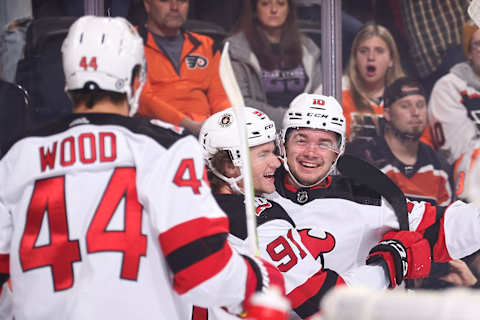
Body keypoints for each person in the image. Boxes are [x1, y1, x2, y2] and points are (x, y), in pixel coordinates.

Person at [0, 16, 285, 319]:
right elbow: (200, 267)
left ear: (68, 81)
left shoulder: (19, 155)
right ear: (137, 79)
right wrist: (260, 282)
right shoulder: (165, 148)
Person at [264, 92, 480, 291]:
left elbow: (444, 227)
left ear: (338, 151)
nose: (311, 152)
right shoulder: (254, 199)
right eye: (301, 140)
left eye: (324, 143)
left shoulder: (369, 198)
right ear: (283, 144)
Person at [198, 107, 390, 319]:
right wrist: (387, 263)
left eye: (273, 151)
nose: (276, 161)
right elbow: (327, 304)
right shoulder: (257, 220)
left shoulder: (187, 205)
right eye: (263, 154)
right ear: (230, 165)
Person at [346, 76, 454, 206]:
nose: (415, 112)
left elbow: (446, 221)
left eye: (420, 105)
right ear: (387, 113)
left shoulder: (440, 167)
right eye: (405, 106)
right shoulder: (363, 158)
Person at [137, 0, 230, 136]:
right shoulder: (130, 41)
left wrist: (225, 125)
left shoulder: (207, 46)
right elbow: (142, 98)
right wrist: (189, 125)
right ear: (147, 5)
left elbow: (221, 98)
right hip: (155, 132)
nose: (175, 7)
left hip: (208, 132)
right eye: (165, 1)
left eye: (182, 1)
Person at [224, 0, 322, 128]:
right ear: (255, 9)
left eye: (281, 4)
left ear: (289, 9)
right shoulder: (236, 49)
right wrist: (290, 118)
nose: (274, 10)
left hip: (305, 126)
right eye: (265, 4)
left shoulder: (308, 47)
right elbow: (240, 101)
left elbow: (320, 92)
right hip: (257, 128)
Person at [342, 24, 433, 147]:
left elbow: (424, 144)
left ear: (391, 60)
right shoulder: (337, 89)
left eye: (379, 51)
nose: (371, 57)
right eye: (363, 51)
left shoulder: (408, 95)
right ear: (355, 58)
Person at [428, 20, 480, 201]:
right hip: (471, 183)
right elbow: (460, 150)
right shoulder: (448, 86)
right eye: (478, 43)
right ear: (469, 52)